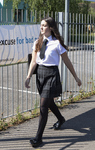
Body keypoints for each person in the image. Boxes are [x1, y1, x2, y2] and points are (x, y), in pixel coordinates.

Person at [25, 17, 82, 147]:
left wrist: (76, 77)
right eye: (41, 25)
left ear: (50, 27)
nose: (41, 27)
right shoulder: (37, 42)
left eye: (44, 25)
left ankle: (38, 138)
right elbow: (34, 62)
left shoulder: (57, 43)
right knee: (49, 102)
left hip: (51, 74)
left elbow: (67, 61)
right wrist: (28, 77)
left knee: (43, 105)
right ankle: (61, 119)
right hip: (40, 74)